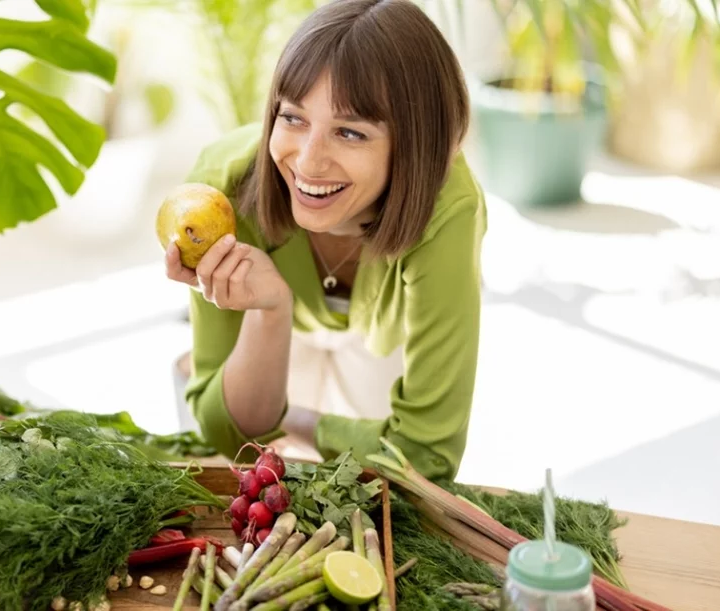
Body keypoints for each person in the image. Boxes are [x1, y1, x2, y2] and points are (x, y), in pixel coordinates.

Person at [165, 0, 487, 480]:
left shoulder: (447, 210)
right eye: (293, 118)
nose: (309, 163)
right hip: (284, 327)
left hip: (381, 333)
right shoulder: (223, 193)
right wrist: (269, 311)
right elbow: (226, 435)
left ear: (417, 144)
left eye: (350, 133)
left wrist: (298, 423)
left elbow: (425, 456)